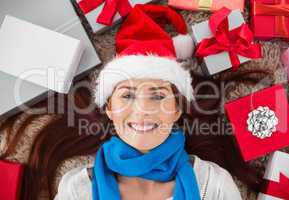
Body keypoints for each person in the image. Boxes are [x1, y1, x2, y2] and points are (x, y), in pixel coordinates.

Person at [0, 4, 269, 200]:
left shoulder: (214, 185)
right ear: (109, 109)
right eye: (127, 95)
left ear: (177, 110)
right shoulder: (77, 189)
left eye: (159, 95)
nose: (143, 109)